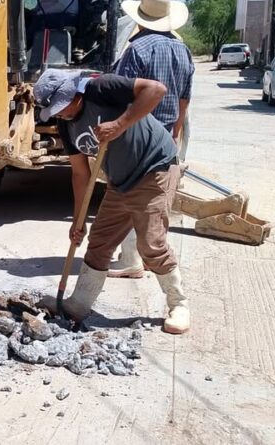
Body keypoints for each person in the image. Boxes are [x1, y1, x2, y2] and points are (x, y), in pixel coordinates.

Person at [34, 69, 190, 334]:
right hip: (120, 180)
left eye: (62, 106)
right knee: (99, 241)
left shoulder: (101, 88)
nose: (61, 113)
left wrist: (119, 124)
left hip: (155, 168)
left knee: (151, 244)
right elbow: (80, 173)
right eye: (56, 111)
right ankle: (79, 303)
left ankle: (179, 304)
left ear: (74, 92)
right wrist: (78, 221)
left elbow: (156, 90)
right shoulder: (64, 123)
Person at [108, 0, 194, 278]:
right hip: (166, 137)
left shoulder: (136, 50)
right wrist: (176, 137)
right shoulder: (184, 51)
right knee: (155, 201)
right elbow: (184, 101)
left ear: (141, 20)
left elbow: (120, 97)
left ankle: (131, 259)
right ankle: (145, 257)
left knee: (129, 195)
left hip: (137, 137)